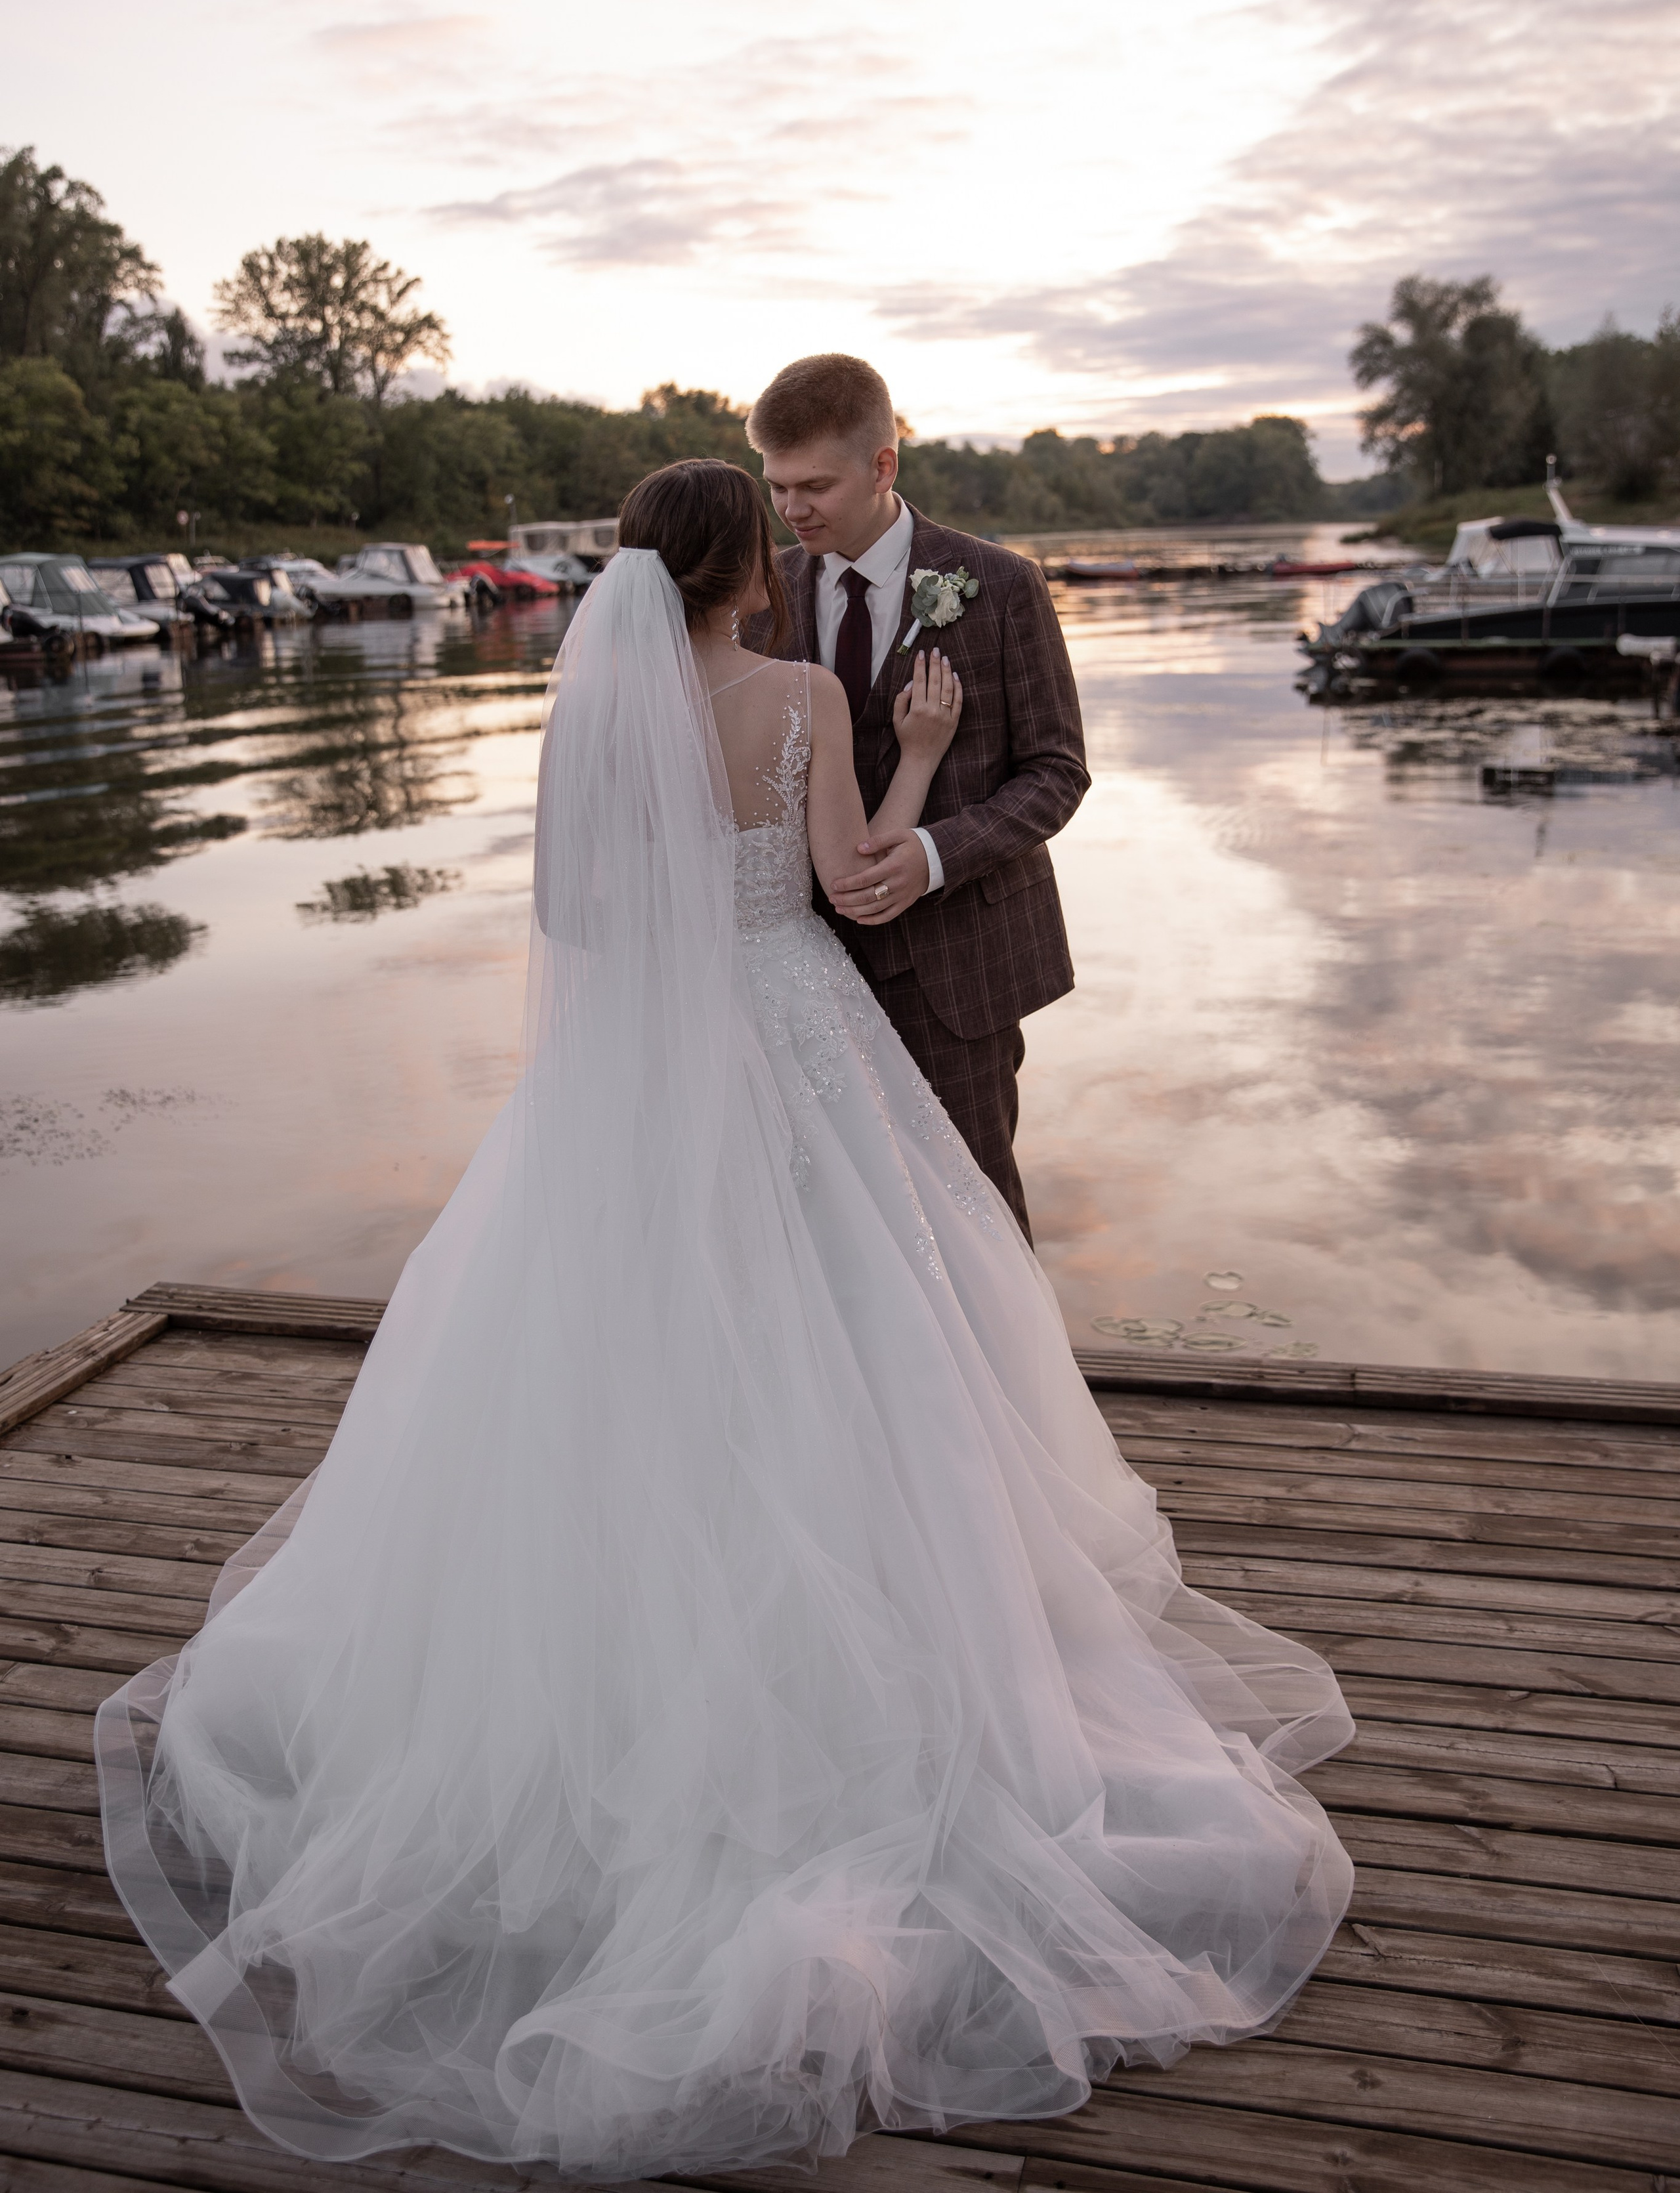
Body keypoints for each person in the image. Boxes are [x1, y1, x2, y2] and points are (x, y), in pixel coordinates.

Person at [96, 460, 1353, 2182]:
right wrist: (915, 745)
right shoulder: (806, 696)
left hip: (623, 1073)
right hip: (796, 1043)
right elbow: (847, 881)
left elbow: (565, 917)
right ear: (745, 565)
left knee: (604, 1372)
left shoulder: (583, 718)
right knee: (857, 1345)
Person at [747, 351, 1089, 1239]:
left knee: (974, 1212)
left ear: (883, 466)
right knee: (831, 1218)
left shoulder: (1002, 586)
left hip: (958, 966)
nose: (792, 510)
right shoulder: (760, 599)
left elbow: (1056, 772)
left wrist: (935, 857)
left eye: (814, 485)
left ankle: (1008, 1383)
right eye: (777, 487)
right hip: (806, 973)